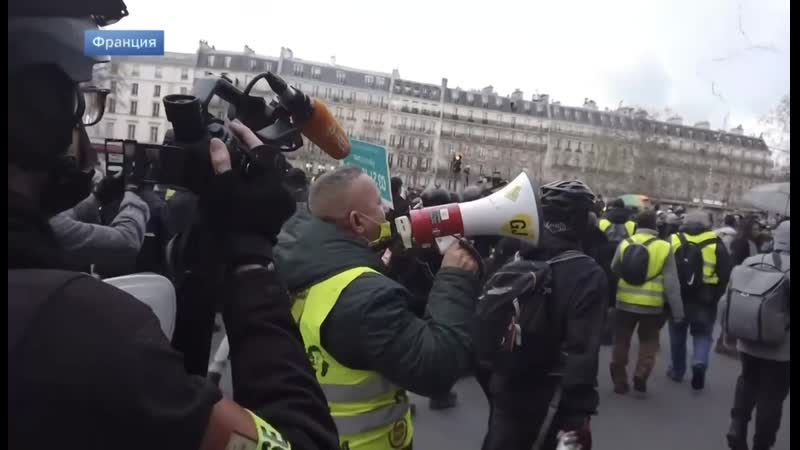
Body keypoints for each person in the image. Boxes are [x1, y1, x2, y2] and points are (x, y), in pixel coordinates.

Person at [8, 4, 339, 449]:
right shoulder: (80, 329)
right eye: (77, 102)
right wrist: (250, 259)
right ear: (34, 116)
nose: (83, 137)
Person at [274, 166, 481, 450]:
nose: (386, 208)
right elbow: (437, 369)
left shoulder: (300, 260)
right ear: (358, 222)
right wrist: (455, 278)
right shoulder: (369, 298)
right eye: (378, 203)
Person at [481, 180, 607, 450]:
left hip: (505, 378)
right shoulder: (587, 273)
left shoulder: (513, 251)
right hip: (549, 392)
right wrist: (579, 413)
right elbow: (582, 350)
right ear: (580, 220)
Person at [724, 221, 790, 450]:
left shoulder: (751, 262)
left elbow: (729, 299)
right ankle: (762, 442)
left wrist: (728, 334)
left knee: (747, 380)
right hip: (782, 347)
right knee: (772, 395)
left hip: (748, 339)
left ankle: (737, 423)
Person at [609, 210, 684, 395]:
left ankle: (619, 377)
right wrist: (678, 311)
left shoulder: (625, 243)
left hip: (624, 301)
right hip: (652, 304)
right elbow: (671, 283)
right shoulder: (664, 247)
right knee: (649, 341)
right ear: (655, 226)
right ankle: (642, 372)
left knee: (621, 339)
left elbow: (614, 268)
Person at [667, 210, 733, 391]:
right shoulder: (715, 242)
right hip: (705, 297)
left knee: (677, 334)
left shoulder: (673, 240)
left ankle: (677, 370)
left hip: (678, 296)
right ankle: (699, 363)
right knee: (703, 335)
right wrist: (716, 295)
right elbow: (725, 273)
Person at [714, 213, 741, 356]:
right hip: (730, 268)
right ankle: (725, 341)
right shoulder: (737, 237)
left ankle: (721, 341)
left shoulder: (716, 233)